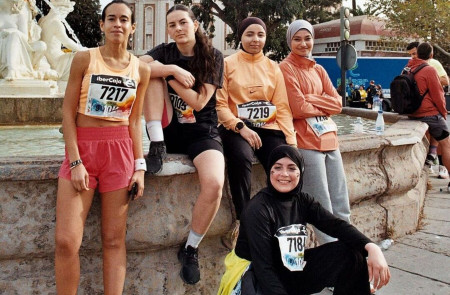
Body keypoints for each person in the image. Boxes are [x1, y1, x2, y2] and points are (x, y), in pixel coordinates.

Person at [54, 1, 150, 294]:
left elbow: (135, 122)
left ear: (133, 27)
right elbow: (67, 114)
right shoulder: (84, 59)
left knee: (113, 239)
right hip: (82, 150)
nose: (117, 24)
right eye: (111, 19)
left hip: (119, 154)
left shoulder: (141, 69)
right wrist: (75, 161)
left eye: (124, 19)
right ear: (102, 25)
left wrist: (140, 166)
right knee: (66, 241)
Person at [217, 145, 391, 295]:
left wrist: (371, 247)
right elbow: (264, 268)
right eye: (277, 167)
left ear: (300, 173)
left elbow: (336, 226)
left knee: (351, 254)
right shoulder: (258, 209)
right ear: (269, 171)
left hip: (290, 268)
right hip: (255, 277)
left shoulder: (302, 200)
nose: (284, 174)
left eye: (292, 168)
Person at [139, 4, 225, 285]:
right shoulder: (166, 51)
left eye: (182, 23)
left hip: (203, 132)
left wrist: (168, 77)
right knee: (150, 75)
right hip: (169, 129)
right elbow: (138, 66)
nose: (178, 29)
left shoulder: (212, 56)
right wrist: (169, 68)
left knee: (213, 184)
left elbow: (199, 101)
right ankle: (157, 145)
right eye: (172, 25)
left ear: (195, 24)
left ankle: (191, 248)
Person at [216, 17, 296, 249]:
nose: (255, 39)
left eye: (260, 35)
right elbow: (220, 106)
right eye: (250, 34)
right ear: (240, 36)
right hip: (236, 128)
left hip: (268, 128)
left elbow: (281, 106)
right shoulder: (227, 64)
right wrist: (241, 128)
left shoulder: (273, 68)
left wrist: (291, 142)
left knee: (286, 160)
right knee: (240, 158)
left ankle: (281, 218)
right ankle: (244, 220)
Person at [279, 20, 351, 245]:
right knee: (321, 204)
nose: (303, 43)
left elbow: (338, 104)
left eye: (307, 38)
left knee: (341, 201)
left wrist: (311, 99)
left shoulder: (318, 69)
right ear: (290, 41)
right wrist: (322, 103)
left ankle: (350, 248)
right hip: (305, 141)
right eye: (297, 39)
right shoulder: (285, 68)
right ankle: (332, 256)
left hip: (329, 140)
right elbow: (297, 108)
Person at [407, 42, 450, 188]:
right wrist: (443, 113)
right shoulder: (429, 70)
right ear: (431, 56)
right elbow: (438, 95)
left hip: (412, 113)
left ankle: (430, 157)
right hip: (428, 113)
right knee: (447, 144)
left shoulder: (408, 67)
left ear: (417, 54)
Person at [38, 0, 87, 80]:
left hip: (47, 59)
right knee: (81, 57)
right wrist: (84, 49)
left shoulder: (42, 20)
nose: (66, 15)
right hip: (57, 62)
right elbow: (67, 43)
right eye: (66, 12)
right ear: (61, 10)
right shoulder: (56, 23)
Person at [0, 0, 47, 80]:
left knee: (15, 35)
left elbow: (25, 36)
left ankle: (12, 70)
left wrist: (11, 31)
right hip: (1, 44)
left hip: (17, 44)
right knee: (14, 36)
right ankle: (11, 70)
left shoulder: (19, 16)